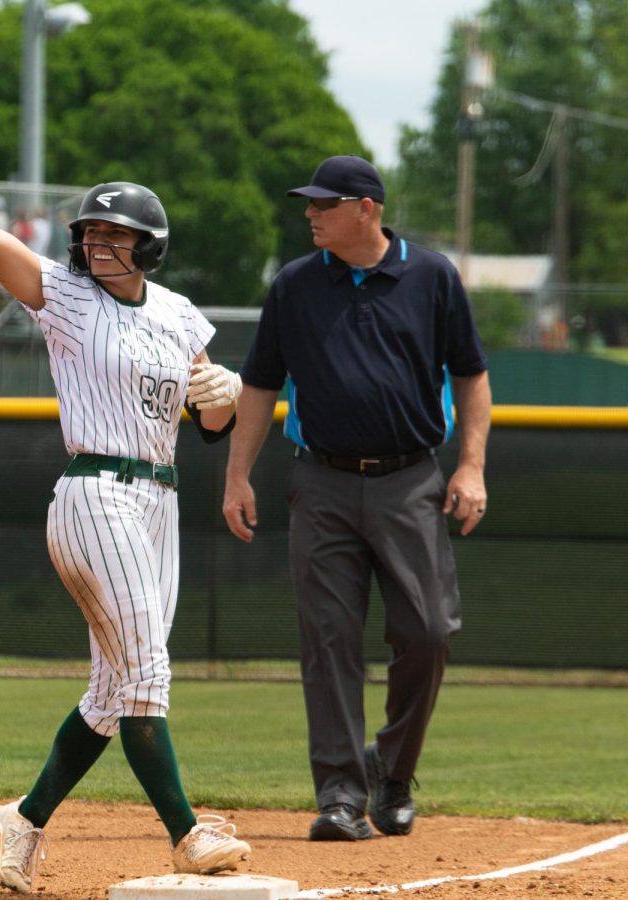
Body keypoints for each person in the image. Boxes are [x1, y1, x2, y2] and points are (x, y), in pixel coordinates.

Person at [0, 89, 251, 893]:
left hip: (159, 503)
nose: (97, 243)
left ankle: (21, 821)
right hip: (96, 495)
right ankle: (186, 833)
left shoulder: (181, 317)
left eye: (114, 233)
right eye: (90, 231)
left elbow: (210, 427)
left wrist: (221, 399)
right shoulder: (65, 296)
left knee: (111, 690)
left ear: (149, 246)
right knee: (149, 675)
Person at [221, 156, 491, 842]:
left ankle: (391, 773)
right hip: (322, 482)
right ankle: (341, 795)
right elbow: (259, 385)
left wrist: (470, 468)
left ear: (365, 208)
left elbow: (471, 376)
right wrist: (237, 475)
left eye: (323, 204)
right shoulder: (294, 287)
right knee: (330, 641)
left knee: (428, 632)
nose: (309, 213)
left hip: (410, 480)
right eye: (308, 204)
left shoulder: (431, 277)